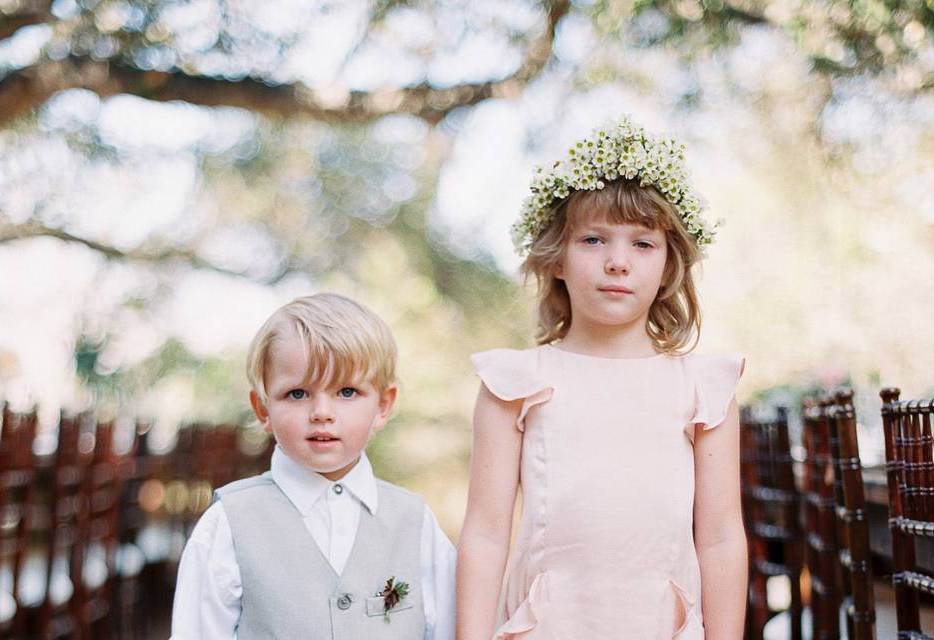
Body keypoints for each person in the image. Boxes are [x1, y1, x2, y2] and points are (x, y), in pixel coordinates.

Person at [456, 116, 747, 639]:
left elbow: (722, 537)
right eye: (593, 240)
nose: (617, 262)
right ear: (557, 259)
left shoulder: (704, 389)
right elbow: (485, 532)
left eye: (642, 244)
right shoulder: (516, 382)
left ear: (668, 265)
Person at [172, 293, 456, 639]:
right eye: (298, 393)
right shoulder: (228, 524)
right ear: (263, 409)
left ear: (383, 405)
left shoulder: (414, 523)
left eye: (347, 392)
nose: (322, 412)